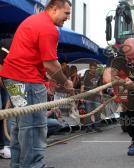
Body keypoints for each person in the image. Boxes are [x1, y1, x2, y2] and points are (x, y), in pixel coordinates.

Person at [0, 0, 73, 167]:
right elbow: (50, 64)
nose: (68, 18)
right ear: (54, 9)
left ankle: (18, 165)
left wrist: (49, 79)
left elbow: (34, 58)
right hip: (27, 81)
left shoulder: (33, 20)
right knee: (34, 126)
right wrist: (66, 82)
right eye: (66, 13)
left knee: (21, 125)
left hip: (13, 79)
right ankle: (34, 166)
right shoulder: (48, 28)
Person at [82, 62, 103, 133]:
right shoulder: (86, 75)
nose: (93, 70)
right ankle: (89, 127)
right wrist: (81, 96)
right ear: (90, 68)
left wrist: (101, 95)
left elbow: (100, 87)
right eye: (92, 68)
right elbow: (82, 86)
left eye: (94, 68)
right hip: (88, 96)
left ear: (96, 69)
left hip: (96, 95)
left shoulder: (98, 75)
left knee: (97, 111)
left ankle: (97, 126)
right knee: (89, 112)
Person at [0, 38, 12, 159]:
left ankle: (6, 145)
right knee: (6, 114)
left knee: (9, 114)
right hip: (7, 82)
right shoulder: (7, 44)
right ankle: (5, 145)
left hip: (9, 82)